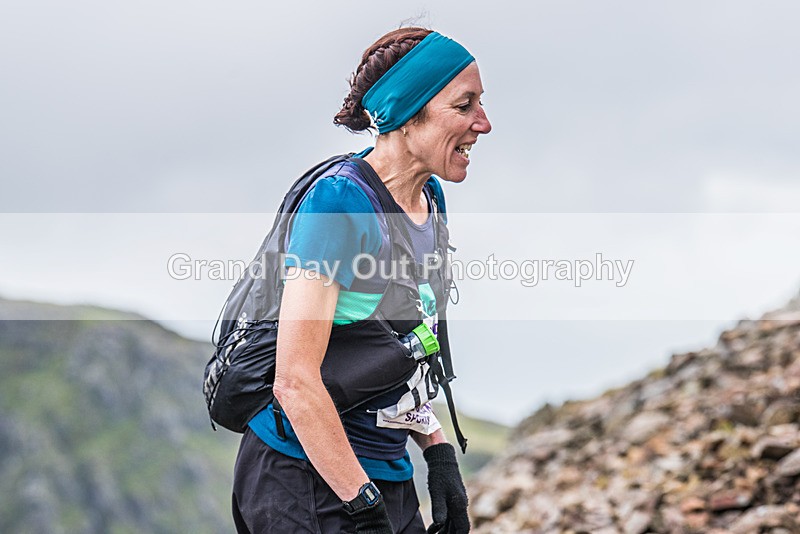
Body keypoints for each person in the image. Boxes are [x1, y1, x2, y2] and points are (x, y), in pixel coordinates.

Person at [231, 27, 492, 533]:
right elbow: (294, 380)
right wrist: (361, 504)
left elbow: (402, 344)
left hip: (383, 471)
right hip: (301, 476)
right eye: (465, 106)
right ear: (407, 114)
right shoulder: (340, 202)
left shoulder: (429, 199)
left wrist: (437, 451)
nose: (483, 123)